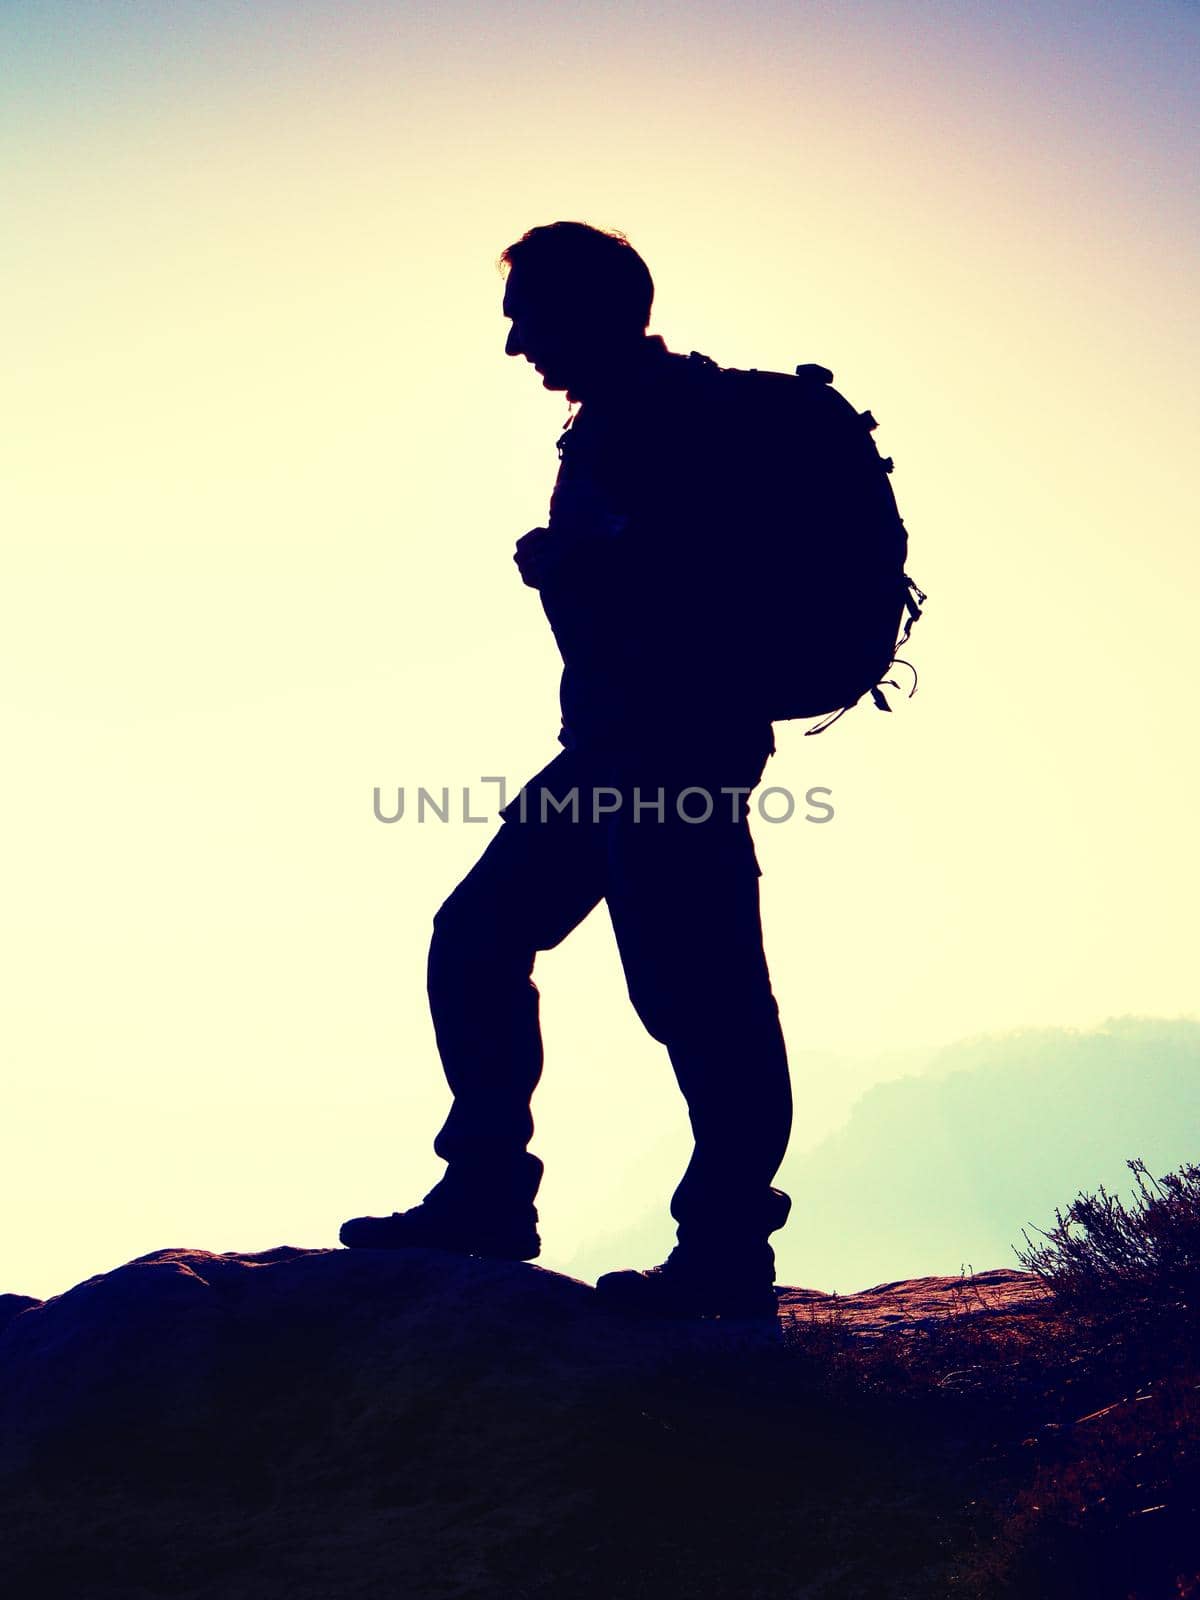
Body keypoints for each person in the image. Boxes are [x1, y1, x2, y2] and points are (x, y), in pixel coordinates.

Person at [340, 221, 793, 1318]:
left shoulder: (665, 421)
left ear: (590, 310)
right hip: (611, 750)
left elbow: (686, 581)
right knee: (483, 935)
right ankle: (490, 1194)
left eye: (525, 318)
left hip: (670, 749)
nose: (514, 347)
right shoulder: (621, 420)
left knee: (697, 993)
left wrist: (573, 562)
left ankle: (723, 1249)